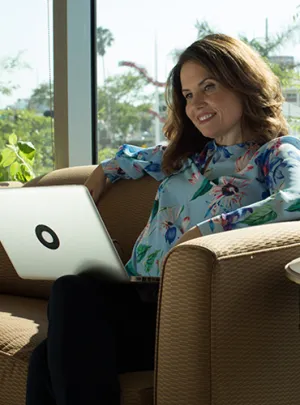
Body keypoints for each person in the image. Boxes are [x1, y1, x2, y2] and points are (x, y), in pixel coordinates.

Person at [26, 33, 300, 405]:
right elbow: (128, 159)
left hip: (192, 307)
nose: (196, 103)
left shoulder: (276, 152)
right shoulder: (187, 155)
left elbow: (293, 201)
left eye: (209, 86)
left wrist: (204, 233)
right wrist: (104, 172)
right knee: (53, 338)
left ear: (243, 82)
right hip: (139, 300)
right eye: (187, 95)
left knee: (67, 310)